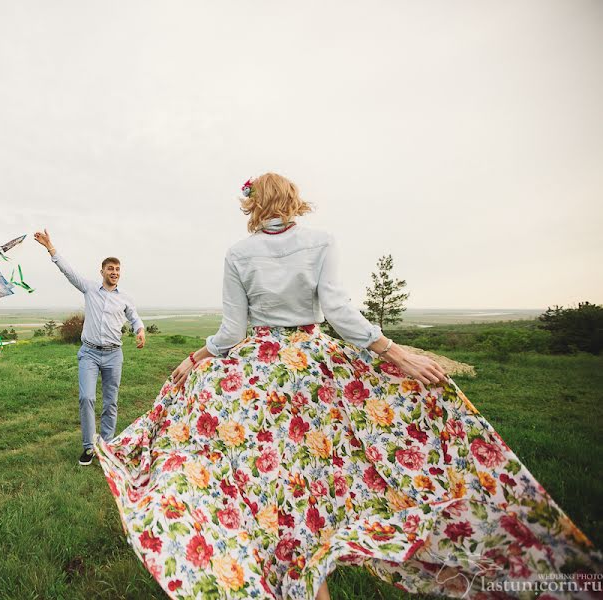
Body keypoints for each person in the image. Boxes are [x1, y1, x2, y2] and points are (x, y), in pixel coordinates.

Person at [94, 174, 601, 599]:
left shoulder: (238, 251)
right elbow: (338, 311)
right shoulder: (321, 240)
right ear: (293, 201)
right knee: (325, 470)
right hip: (314, 366)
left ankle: (286, 563)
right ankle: (318, 560)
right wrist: (396, 355)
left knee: (265, 477)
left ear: (251, 206)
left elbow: (233, 332)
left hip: (256, 370)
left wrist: (195, 358)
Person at [34, 229, 146, 466]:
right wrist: (50, 247)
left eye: (117, 270)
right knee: (86, 398)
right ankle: (88, 447)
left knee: (111, 401)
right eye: (110, 269)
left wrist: (140, 330)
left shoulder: (124, 297)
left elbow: (134, 317)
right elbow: (69, 271)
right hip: (90, 354)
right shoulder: (89, 289)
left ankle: (106, 445)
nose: (114, 273)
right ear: (102, 271)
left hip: (114, 354)